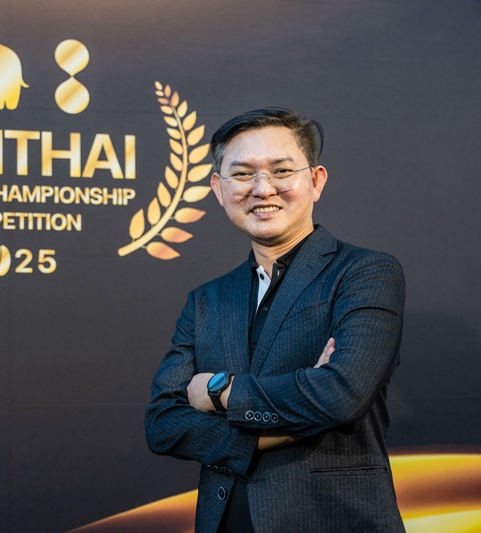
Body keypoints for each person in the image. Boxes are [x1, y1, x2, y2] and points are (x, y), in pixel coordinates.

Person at [144, 108, 405, 532]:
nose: (263, 188)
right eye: (243, 174)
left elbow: (341, 395)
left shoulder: (365, 273)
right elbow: (163, 423)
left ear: (316, 180)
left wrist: (219, 391)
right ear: (218, 189)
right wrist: (273, 434)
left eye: (281, 170)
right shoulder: (207, 300)